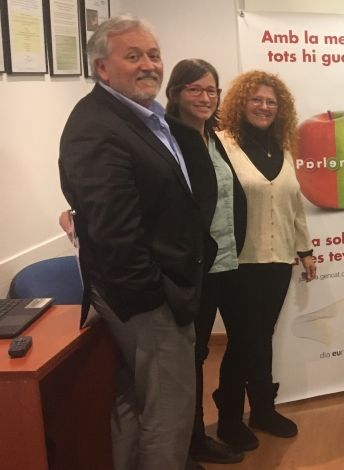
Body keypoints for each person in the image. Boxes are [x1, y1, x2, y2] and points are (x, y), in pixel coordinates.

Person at [58, 15, 207, 470]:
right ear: (103, 68)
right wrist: (156, 296)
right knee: (168, 414)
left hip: (147, 291)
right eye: (134, 56)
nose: (149, 65)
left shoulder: (143, 117)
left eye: (154, 55)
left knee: (135, 400)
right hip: (146, 299)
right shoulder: (97, 127)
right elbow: (115, 232)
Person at [213, 71, 317, 451]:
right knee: (244, 341)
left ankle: (262, 409)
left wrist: (305, 250)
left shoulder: (281, 147)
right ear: (241, 103)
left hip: (279, 261)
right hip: (238, 262)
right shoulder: (221, 145)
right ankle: (228, 417)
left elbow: (294, 205)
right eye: (256, 99)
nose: (264, 106)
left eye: (271, 101)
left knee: (262, 336)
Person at [164, 59, 247, 465]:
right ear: (175, 93)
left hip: (228, 259)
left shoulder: (213, 137)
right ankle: (192, 440)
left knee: (242, 340)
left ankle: (225, 421)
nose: (204, 97)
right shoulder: (169, 140)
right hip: (196, 267)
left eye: (211, 90)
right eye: (194, 89)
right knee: (194, 356)